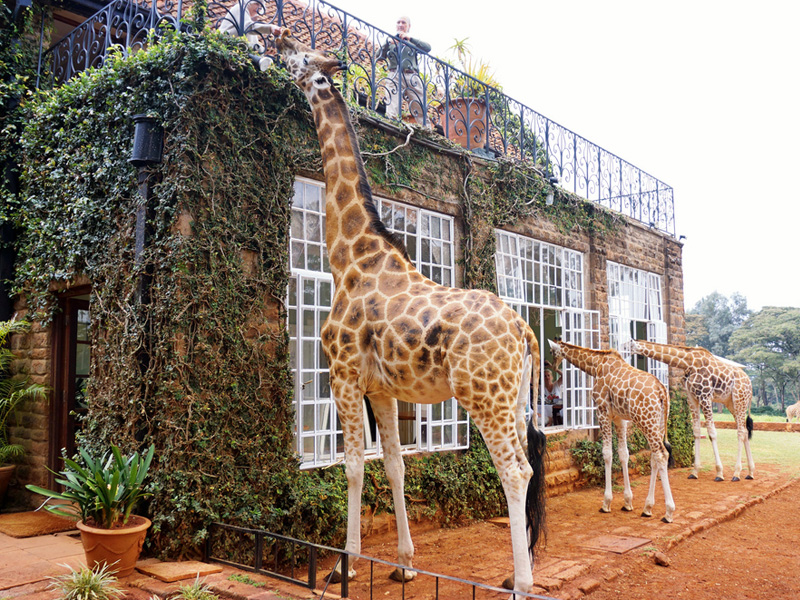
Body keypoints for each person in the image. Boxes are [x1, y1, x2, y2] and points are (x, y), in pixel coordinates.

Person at [377, 16, 431, 124]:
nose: (401, 24)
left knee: (419, 104)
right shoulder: (391, 43)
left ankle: (426, 129)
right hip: (394, 74)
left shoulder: (412, 42)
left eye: (404, 23)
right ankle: (391, 124)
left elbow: (427, 48)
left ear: (408, 26)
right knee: (392, 102)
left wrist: (409, 38)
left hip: (411, 76)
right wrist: (388, 42)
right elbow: (378, 56)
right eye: (398, 22)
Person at [218, 0, 283, 71]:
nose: (258, 8)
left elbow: (253, 45)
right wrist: (270, 28)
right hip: (225, 48)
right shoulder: (239, 8)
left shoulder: (250, 24)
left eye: (261, 7)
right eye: (257, 4)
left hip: (238, 55)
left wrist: (264, 51)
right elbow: (248, 27)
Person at [543, 360, 563, 426]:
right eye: (545, 376)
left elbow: (564, 375)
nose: (547, 377)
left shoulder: (556, 385)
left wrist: (552, 367)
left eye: (548, 375)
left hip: (558, 410)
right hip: (546, 413)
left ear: (552, 377)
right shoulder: (541, 388)